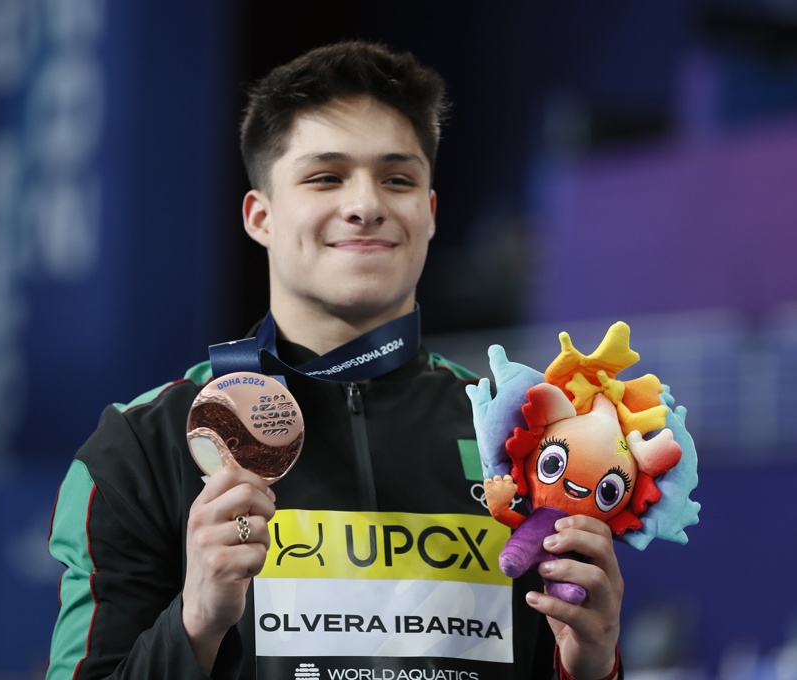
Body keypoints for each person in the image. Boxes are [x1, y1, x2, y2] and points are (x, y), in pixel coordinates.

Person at [46, 41, 624, 679]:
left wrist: (593, 667)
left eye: (397, 179)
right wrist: (196, 621)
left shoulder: (525, 438)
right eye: (326, 176)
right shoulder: (140, 448)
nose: (367, 204)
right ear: (260, 216)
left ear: (429, 215)